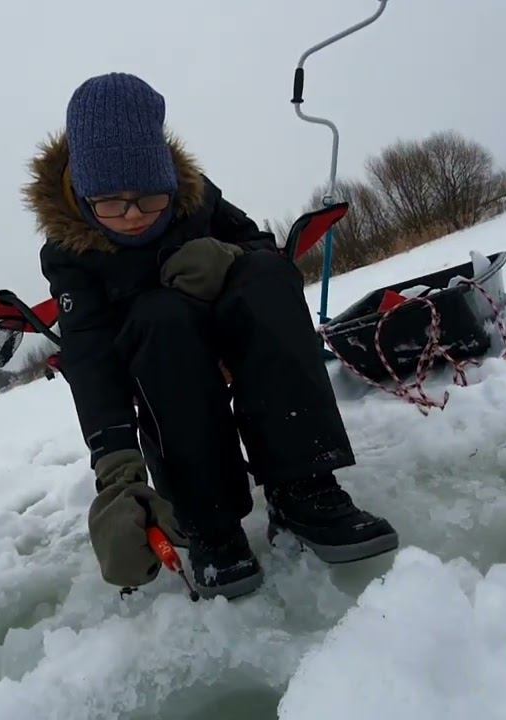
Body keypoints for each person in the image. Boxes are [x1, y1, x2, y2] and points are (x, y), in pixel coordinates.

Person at [24, 72, 398, 599]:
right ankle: (209, 524)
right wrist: (117, 474)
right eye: (110, 202)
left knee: (267, 278)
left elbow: (261, 247)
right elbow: (89, 357)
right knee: (159, 318)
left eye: (149, 198)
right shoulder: (69, 254)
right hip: (159, 359)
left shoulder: (194, 198)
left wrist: (226, 255)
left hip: (230, 333)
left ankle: (303, 488)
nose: (132, 216)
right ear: (84, 196)